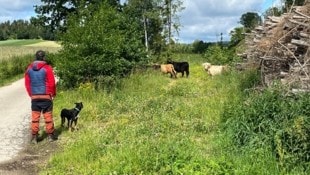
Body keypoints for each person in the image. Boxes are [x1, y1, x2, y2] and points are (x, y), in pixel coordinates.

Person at [24, 50, 58, 143]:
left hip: (34, 97)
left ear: (35, 57)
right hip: (46, 96)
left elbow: (27, 84)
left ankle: (34, 137)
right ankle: (50, 136)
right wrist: (53, 94)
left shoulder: (29, 68)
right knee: (48, 116)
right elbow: (52, 83)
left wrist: (31, 94)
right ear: (44, 57)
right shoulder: (47, 68)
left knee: (35, 117)